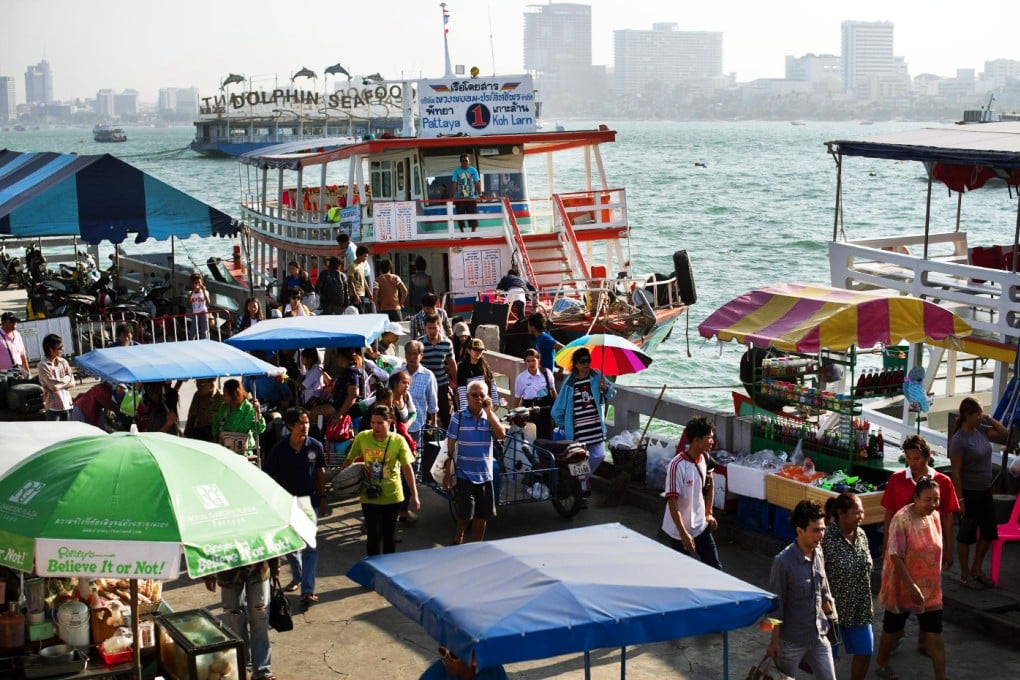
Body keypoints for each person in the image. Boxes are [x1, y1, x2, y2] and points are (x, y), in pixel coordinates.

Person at [874, 477, 946, 680]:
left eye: (936, 499)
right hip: (903, 585)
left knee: (935, 633)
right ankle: (882, 662)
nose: (932, 504)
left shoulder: (935, 517)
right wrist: (911, 585)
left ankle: (941, 676)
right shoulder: (901, 518)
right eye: (927, 499)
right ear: (916, 497)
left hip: (930, 587)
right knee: (893, 629)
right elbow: (896, 554)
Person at [767, 500, 837, 680]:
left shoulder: (818, 551)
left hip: (818, 636)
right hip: (791, 642)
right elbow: (776, 605)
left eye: (823, 529)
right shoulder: (783, 562)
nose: (821, 535)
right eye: (816, 530)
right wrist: (774, 641)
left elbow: (822, 587)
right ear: (800, 531)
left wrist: (830, 611)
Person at [262, 407, 326, 607]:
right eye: (301, 423)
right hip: (286, 503)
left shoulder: (314, 446)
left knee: (310, 547)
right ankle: (298, 576)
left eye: (307, 422)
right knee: (291, 545)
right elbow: (268, 476)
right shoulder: (279, 450)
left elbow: (320, 472)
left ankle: (308, 590)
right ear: (290, 426)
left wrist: (322, 497)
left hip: (308, 503)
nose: (305, 426)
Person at [343, 405, 419, 555]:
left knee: (389, 536)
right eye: (373, 422)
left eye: (380, 423)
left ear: (389, 422)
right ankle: (373, 572)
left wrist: (415, 495)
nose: (375, 426)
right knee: (373, 537)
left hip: (393, 495)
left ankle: (388, 570)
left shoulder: (398, 441)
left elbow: (407, 469)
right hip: (369, 495)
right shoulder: (362, 437)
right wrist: (342, 480)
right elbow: (349, 460)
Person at [949, 396, 1008, 589]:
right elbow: (956, 472)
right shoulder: (959, 440)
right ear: (967, 415)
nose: (979, 417)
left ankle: (977, 567)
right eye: (976, 414)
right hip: (969, 490)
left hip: (985, 490)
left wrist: (988, 418)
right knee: (966, 534)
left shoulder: (981, 431)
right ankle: (965, 573)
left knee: (989, 531)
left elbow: (1004, 433)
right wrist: (960, 498)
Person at [882, 435, 959, 571]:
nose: (912, 463)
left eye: (917, 458)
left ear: (927, 457)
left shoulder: (944, 481)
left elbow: (947, 517)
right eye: (908, 458)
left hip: (931, 545)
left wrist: (948, 550)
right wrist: (886, 546)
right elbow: (889, 514)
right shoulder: (896, 479)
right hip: (902, 546)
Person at [550, 347, 615, 502]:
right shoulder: (569, 383)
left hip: (595, 427)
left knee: (599, 455)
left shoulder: (597, 375)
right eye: (582, 361)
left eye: (588, 361)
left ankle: (579, 479)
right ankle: (582, 491)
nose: (586, 364)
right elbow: (557, 409)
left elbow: (611, 394)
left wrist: (605, 388)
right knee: (580, 459)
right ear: (576, 364)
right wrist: (564, 424)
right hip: (578, 430)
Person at [444, 382, 506, 544]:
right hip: (464, 473)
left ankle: (476, 546)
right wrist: (448, 472)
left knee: (482, 515)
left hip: (485, 475)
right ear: (467, 397)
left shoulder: (489, 418)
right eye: (475, 395)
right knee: (465, 515)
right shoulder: (458, 417)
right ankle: (459, 536)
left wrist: (489, 412)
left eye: (482, 395)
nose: (478, 398)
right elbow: (451, 443)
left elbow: (501, 434)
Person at [821, 493, 874, 680]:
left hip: (859, 607)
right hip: (831, 610)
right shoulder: (826, 537)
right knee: (827, 657)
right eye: (856, 512)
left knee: (865, 650)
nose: (861, 516)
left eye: (862, 512)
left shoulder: (861, 535)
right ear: (841, 514)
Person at [661, 416, 721, 569]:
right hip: (679, 530)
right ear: (696, 440)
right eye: (709, 438)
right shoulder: (677, 466)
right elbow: (672, 503)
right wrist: (683, 534)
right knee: (682, 572)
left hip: (701, 525)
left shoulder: (705, 459)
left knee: (715, 568)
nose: (712, 442)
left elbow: (710, 485)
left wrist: (708, 513)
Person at [204, 558, 278, 680]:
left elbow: (271, 539)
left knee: (260, 620)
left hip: (259, 568)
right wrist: (208, 575)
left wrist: (275, 564)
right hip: (228, 571)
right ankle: (243, 668)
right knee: (235, 620)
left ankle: (262, 672)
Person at [419, 315, 457, 429]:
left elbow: (451, 363)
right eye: (429, 328)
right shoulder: (420, 343)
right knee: (425, 416)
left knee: (446, 415)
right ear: (425, 328)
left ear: (439, 326)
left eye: (434, 328)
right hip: (424, 385)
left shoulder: (447, 343)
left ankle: (447, 440)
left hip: (441, 384)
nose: (432, 331)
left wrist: (456, 383)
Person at [398, 341, 439, 444]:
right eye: (409, 354)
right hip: (397, 424)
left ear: (421, 355)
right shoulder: (397, 373)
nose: (412, 357)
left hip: (417, 425)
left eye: (415, 354)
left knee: (416, 455)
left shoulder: (428, 375)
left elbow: (432, 401)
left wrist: (434, 422)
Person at [212, 379, 266, 453]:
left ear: (234, 394)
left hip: (244, 452)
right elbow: (216, 424)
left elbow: (259, 430)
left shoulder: (249, 409)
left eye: (225, 393)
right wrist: (215, 441)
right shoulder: (223, 407)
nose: (223, 396)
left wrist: (258, 412)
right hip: (225, 450)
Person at [513, 349, 557, 439]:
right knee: (530, 435)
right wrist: (514, 415)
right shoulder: (521, 378)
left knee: (545, 434)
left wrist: (557, 407)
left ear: (538, 360)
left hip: (544, 407)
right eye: (528, 361)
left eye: (533, 360)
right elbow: (518, 398)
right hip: (529, 408)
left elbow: (553, 391)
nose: (531, 363)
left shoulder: (546, 373)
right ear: (525, 362)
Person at [456, 337, 500, 411]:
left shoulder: (484, 365)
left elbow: (492, 383)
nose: (478, 352)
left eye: (480, 350)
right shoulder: (462, 367)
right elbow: (462, 389)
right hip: (471, 403)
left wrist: (495, 401)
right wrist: (465, 409)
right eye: (475, 350)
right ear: (468, 351)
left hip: (484, 401)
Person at [38, 333, 73, 421]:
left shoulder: (63, 362)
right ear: (50, 348)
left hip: (67, 405)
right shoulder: (43, 365)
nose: (62, 350)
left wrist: (60, 383)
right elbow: (53, 386)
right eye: (59, 348)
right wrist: (67, 378)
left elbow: (73, 383)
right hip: (53, 408)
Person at [419, 647, 508, 680]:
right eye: (442, 650)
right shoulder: (436, 674)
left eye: (453, 655)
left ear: (474, 659)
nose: (445, 658)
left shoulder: (494, 671)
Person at [184, 377, 223, 442]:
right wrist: (185, 436)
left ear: (211, 384)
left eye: (202, 384)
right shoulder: (197, 395)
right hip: (198, 434)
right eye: (197, 383)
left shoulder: (220, 398)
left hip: (213, 436)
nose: (198, 387)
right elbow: (191, 417)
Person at [450, 153, 481, 233]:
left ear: (469, 161)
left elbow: (477, 182)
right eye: (463, 161)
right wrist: (452, 196)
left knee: (473, 216)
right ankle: (462, 234)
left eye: (466, 161)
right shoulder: (456, 171)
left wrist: (480, 194)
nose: (464, 162)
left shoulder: (473, 170)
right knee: (460, 217)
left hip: (471, 198)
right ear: (460, 162)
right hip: (459, 198)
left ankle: (473, 234)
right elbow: (454, 183)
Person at [349, 246, 374, 313]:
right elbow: (350, 282)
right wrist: (355, 295)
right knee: (357, 314)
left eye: (366, 256)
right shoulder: (352, 266)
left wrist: (369, 292)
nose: (366, 258)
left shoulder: (362, 265)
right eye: (364, 256)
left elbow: (363, 280)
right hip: (355, 295)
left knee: (362, 313)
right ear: (359, 255)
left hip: (362, 294)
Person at [187, 272, 212, 340]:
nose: (197, 284)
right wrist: (193, 291)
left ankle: (205, 342)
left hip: (203, 312)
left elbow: (208, 302)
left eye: (199, 283)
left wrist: (203, 291)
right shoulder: (191, 293)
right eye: (195, 283)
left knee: (204, 331)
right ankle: (191, 343)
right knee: (193, 331)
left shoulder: (205, 292)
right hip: (195, 314)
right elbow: (189, 300)